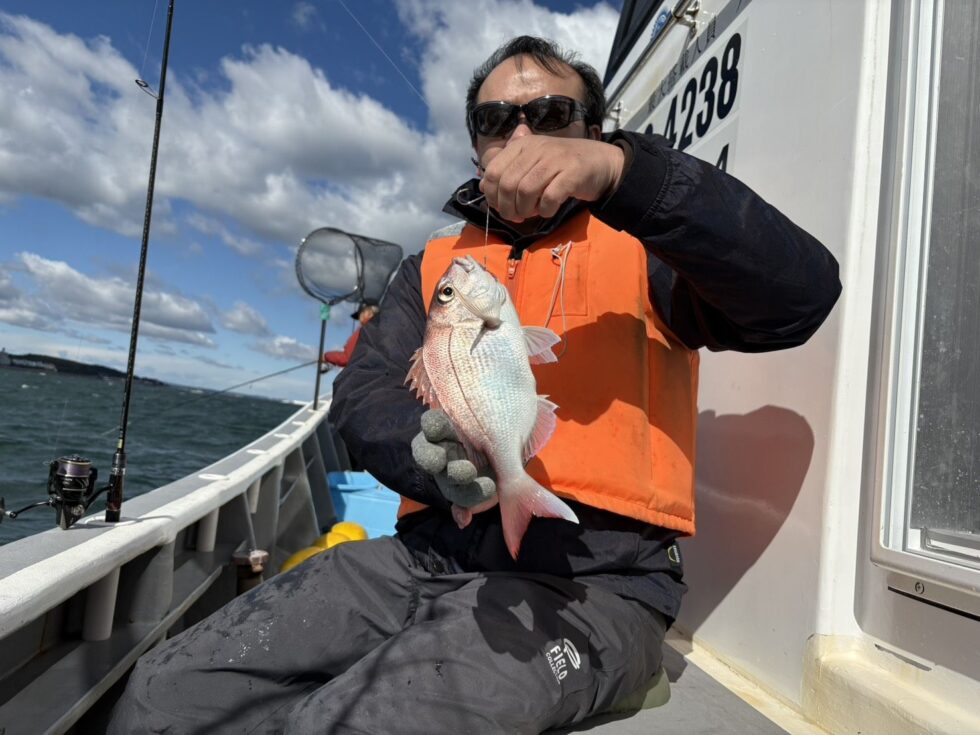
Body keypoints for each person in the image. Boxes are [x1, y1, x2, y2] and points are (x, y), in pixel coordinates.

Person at [109, 36, 840, 733]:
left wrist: (627, 175)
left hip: (594, 582)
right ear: (477, 150)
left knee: (369, 721)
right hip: (423, 556)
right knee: (165, 691)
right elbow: (363, 396)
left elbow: (798, 296)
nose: (521, 134)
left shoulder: (650, 247)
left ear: (592, 132)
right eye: (496, 121)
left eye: (551, 114)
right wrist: (432, 457)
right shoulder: (433, 269)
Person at [321, 303, 379, 371]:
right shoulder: (383, 332)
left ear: (368, 313)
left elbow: (346, 358)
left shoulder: (363, 331)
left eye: (360, 314)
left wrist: (326, 356)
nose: (359, 320)